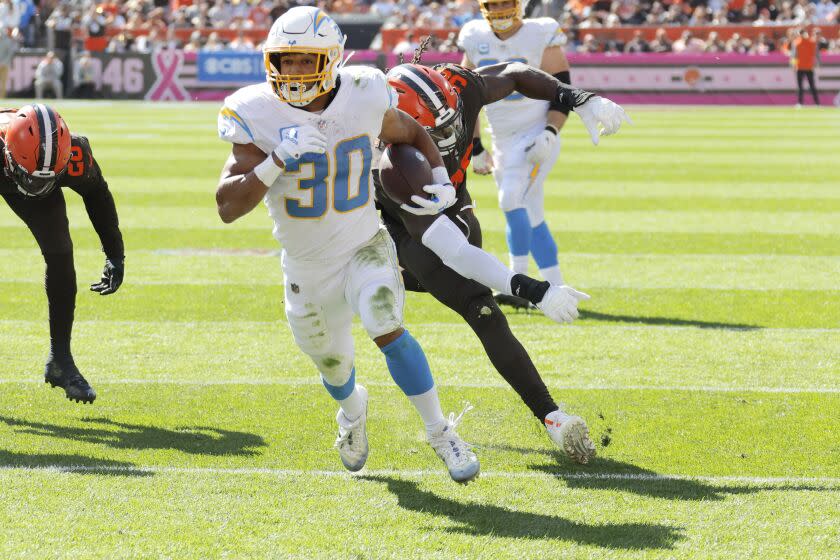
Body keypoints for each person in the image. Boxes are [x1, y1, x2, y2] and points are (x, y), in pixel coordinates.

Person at [215, 7, 479, 483]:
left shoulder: (362, 91)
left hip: (364, 245)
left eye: (305, 60)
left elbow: (410, 130)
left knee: (386, 323)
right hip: (306, 264)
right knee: (334, 366)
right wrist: (276, 160)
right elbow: (227, 206)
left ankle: (440, 432)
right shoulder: (254, 110)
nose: (293, 72)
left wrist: (439, 175)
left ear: (332, 59)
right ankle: (353, 414)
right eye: (285, 60)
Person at [379, 56, 628, 463]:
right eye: (434, 130)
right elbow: (452, 251)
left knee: (483, 309)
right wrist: (533, 289)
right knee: (445, 282)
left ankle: (551, 417)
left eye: (451, 122)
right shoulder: (389, 164)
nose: (447, 133)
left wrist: (578, 98)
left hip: (454, 202)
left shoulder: (458, 85)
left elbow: (513, 73)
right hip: (406, 227)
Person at [0, 104, 125, 404]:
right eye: (33, 179)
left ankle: (61, 361)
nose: (39, 187)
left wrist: (115, 254)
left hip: (22, 166)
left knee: (60, 252)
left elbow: (98, 194)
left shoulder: (74, 153)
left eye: (48, 179)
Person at [459, 0, 573, 305]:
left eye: (504, 3)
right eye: (492, 4)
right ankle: (556, 287)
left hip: (537, 133)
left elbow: (564, 90)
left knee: (510, 199)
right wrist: (477, 145)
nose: (498, 10)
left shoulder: (541, 32)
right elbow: (465, 94)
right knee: (531, 212)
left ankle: (517, 285)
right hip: (503, 140)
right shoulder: (474, 35)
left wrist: (550, 132)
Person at [791, 28, 820, 106]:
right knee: (801, 87)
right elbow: (794, 56)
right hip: (800, 67)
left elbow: (816, 54)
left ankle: (816, 103)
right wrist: (793, 65)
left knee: (811, 86)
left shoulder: (809, 42)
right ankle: (801, 103)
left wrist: (817, 64)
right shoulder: (798, 42)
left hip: (808, 67)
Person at [0, 25, 19, 98]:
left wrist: (3, 63)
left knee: (3, 83)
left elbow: (9, 54)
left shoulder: (7, 41)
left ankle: (2, 98)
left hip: (4, 65)